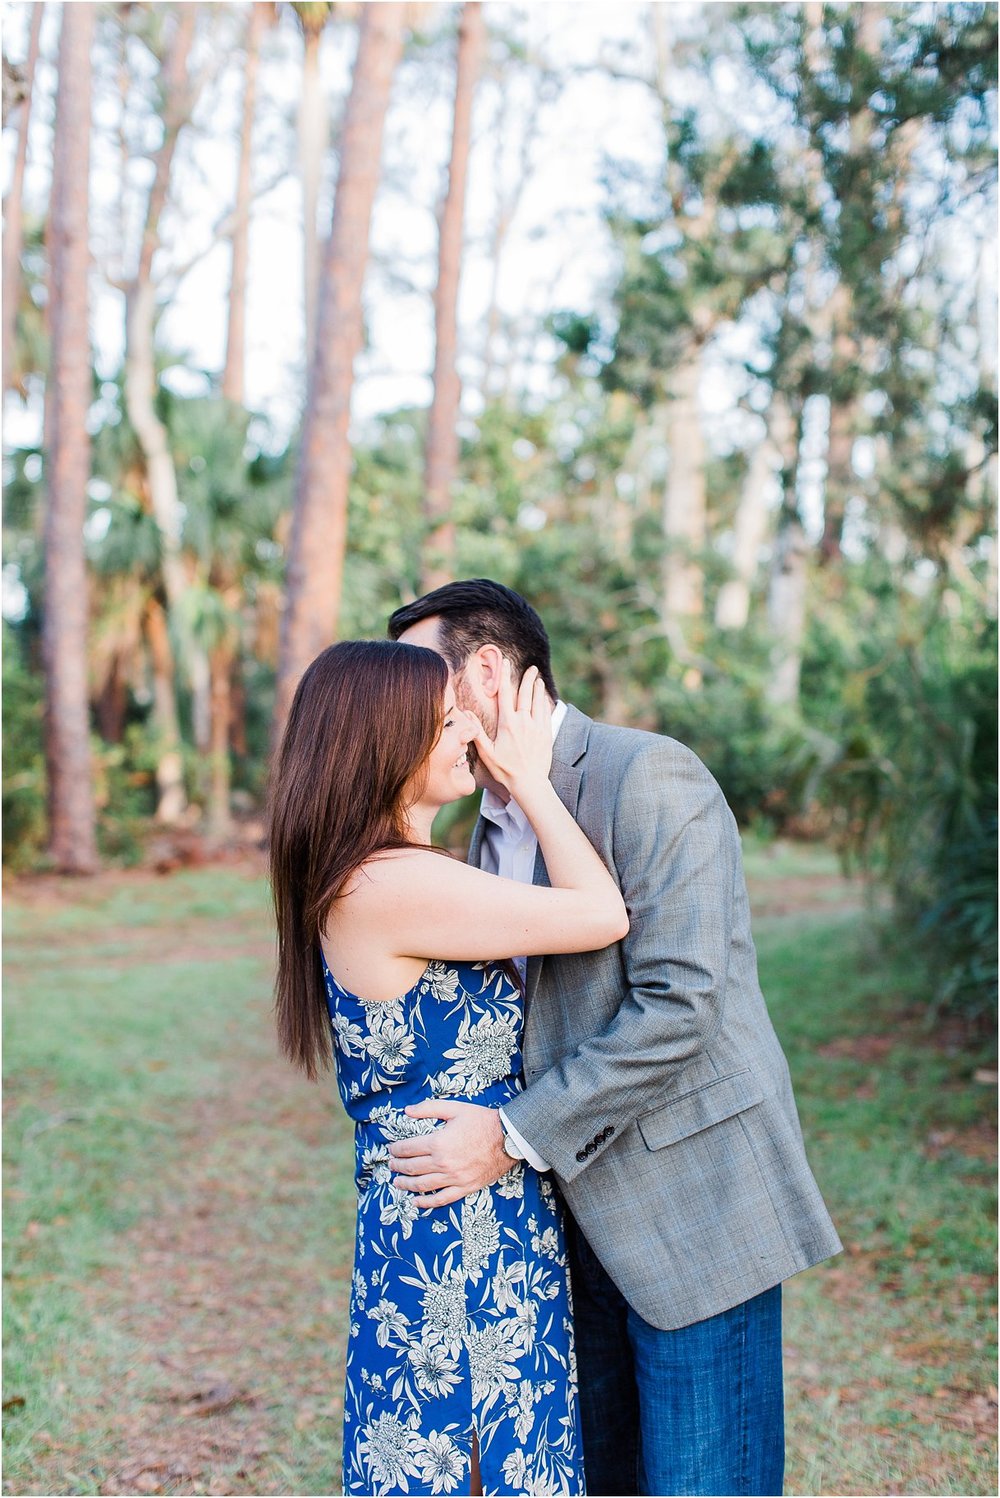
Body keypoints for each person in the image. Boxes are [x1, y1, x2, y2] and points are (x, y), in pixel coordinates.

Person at [386, 580, 843, 1498]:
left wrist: (511, 1135)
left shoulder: (650, 774)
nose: (408, 708)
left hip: (692, 1201)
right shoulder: (486, 825)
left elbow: (682, 1000)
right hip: (565, 1219)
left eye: (423, 682)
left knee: (704, 1481)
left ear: (485, 670)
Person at [268, 638, 629, 1498]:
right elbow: (601, 913)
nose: (468, 725)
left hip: (464, 1207)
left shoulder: (393, 875)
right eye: (445, 719)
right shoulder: (389, 885)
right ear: (385, 749)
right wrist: (531, 779)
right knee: (473, 1460)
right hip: (457, 1232)